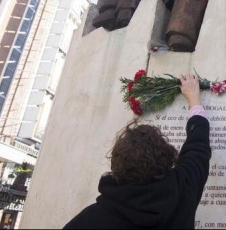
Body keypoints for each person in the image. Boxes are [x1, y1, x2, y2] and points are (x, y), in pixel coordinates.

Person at [65, 74, 211, 229]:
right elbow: (197, 146)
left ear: (117, 166)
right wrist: (194, 98)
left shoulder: (90, 220)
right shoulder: (182, 190)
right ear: (167, 158)